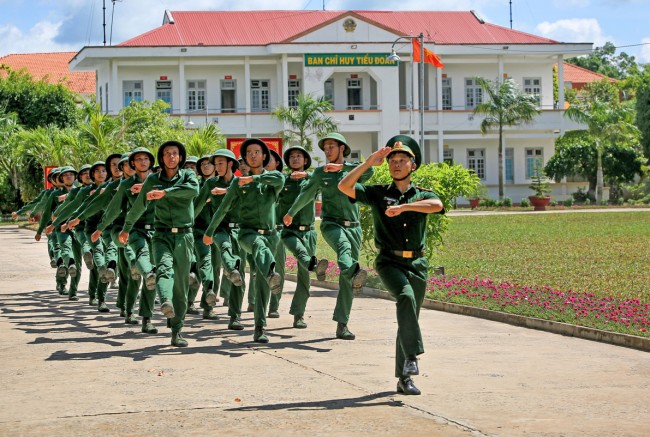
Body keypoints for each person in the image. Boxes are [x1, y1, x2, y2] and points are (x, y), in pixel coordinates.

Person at [338, 135, 444, 396]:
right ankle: (412, 356)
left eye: (402, 160)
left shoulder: (423, 195)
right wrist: (368, 163)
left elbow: (437, 205)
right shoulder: (377, 193)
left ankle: (404, 378)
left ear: (413, 165)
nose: (396, 164)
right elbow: (344, 186)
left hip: (417, 262)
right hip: (389, 261)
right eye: (392, 161)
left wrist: (404, 206)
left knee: (409, 317)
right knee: (405, 298)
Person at [284, 132, 373, 340]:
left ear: (342, 148)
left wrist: (342, 169)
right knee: (344, 251)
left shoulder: (352, 169)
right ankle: (354, 271)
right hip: (331, 224)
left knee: (346, 275)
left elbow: (369, 173)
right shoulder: (320, 174)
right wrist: (291, 213)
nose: (328, 151)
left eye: (332, 147)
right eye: (325, 148)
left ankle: (342, 324)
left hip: (355, 228)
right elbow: (305, 195)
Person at [204, 138, 283, 343]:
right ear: (245, 158)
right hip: (247, 234)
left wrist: (254, 180)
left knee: (262, 285)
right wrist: (210, 231)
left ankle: (259, 326)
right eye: (249, 153)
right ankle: (235, 314)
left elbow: (279, 180)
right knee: (247, 261)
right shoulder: (238, 184)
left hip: (271, 234)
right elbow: (223, 208)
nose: (253, 155)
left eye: (257, 152)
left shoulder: (272, 179)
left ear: (264, 156)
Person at [121, 141, 199, 347]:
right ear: (162, 158)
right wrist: (127, 228)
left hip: (184, 236)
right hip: (161, 234)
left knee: (181, 284)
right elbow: (139, 205)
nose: (171, 157)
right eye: (167, 154)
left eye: (175, 153)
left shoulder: (188, 176)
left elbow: (192, 191)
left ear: (180, 157)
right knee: (163, 269)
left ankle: (176, 330)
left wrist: (166, 193)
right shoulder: (153, 179)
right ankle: (165, 301)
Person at [277, 145, 328, 328]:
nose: (295, 159)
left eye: (299, 156)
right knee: (301, 254)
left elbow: (324, 181)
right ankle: (313, 263)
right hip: (289, 231)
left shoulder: (312, 181)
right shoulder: (283, 180)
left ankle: (299, 314)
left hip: (308, 231)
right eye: (292, 157)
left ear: (305, 161)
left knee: (304, 276)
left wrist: (309, 177)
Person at [194, 149, 245, 330]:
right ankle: (208, 306)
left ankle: (235, 315)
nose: (216, 167)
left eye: (220, 163)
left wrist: (227, 191)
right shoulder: (210, 185)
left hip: (239, 232)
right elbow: (197, 205)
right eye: (215, 164)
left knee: (238, 273)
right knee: (215, 267)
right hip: (215, 230)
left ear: (231, 164)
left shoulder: (241, 183)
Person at [266, 148, 285, 319]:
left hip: (278, 231)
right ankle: (256, 302)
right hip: (259, 232)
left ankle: (274, 305)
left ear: (277, 163)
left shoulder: (281, 180)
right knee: (262, 269)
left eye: (269, 159)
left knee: (278, 270)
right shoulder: (257, 181)